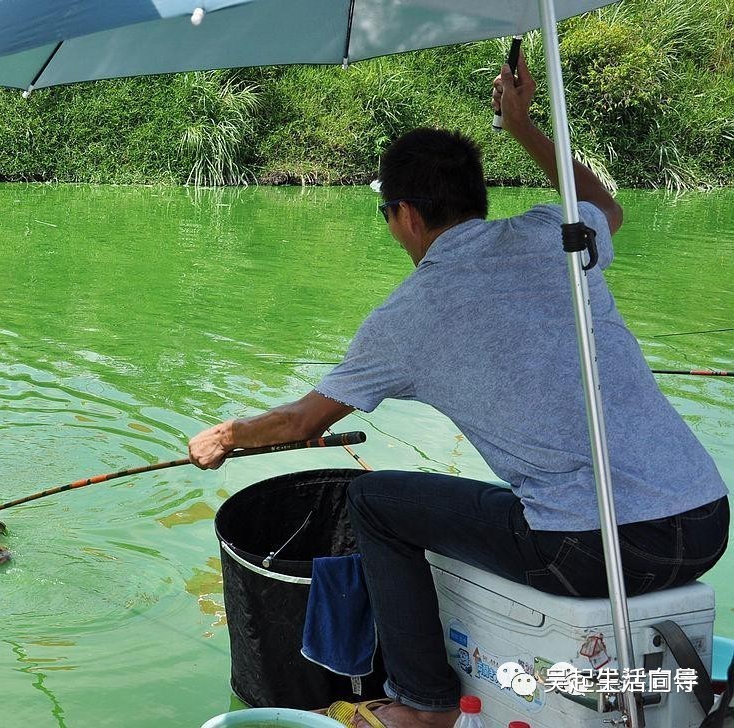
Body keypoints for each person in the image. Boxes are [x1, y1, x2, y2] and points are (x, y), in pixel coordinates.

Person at [188, 52, 729, 728]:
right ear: (477, 200)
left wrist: (225, 436)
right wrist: (522, 126)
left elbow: (301, 422)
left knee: (375, 500)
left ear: (404, 215)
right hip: (704, 521)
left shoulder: (404, 318)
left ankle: (422, 705)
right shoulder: (550, 236)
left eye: (386, 214)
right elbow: (603, 207)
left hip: (589, 554)